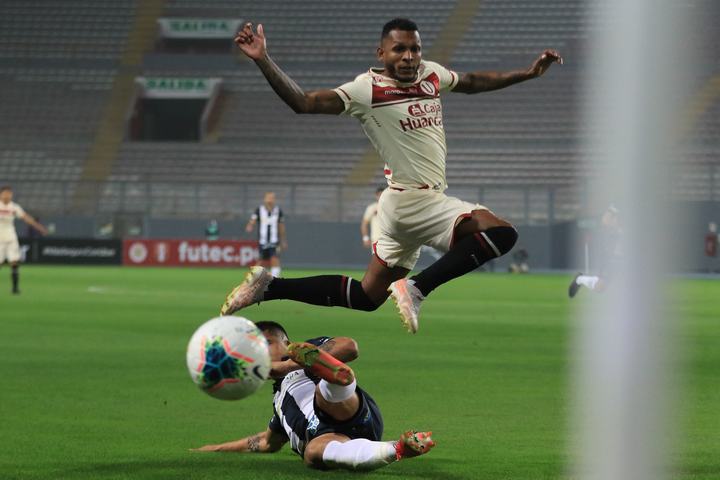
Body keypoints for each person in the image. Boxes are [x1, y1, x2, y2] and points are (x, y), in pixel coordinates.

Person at [222, 18, 562, 332]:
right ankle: (417, 288)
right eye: (399, 49)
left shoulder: (430, 75)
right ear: (381, 53)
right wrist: (263, 59)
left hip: (403, 205)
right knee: (502, 233)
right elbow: (304, 102)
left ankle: (269, 287)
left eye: (415, 48)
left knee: (367, 296)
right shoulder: (367, 90)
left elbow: (473, 82)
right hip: (414, 201)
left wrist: (528, 73)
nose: (409, 56)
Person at [192, 321, 434, 471]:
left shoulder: (305, 352)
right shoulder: (279, 404)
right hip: (329, 436)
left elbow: (349, 347)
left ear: (286, 342)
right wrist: (216, 448)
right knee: (313, 452)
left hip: (346, 408)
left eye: (266, 342)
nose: (259, 351)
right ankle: (397, 448)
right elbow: (266, 443)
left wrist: (286, 366)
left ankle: (339, 379)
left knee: (323, 392)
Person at [0, 186, 47, 294]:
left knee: (14, 262)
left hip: (11, 238)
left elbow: (26, 218)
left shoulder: (14, 207)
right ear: (1, 194)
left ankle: (15, 288)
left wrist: (39, 227)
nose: (8, 195)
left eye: (9, 193)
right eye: (5, 193)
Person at [568, 205, 622, 297]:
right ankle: (580, 279)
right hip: (611, 259)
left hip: (621, 258)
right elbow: (605, 221)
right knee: (600, 287)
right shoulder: (613, 210)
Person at [245, 192, 287, 277]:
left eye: (272, 198)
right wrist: (250, 225)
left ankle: (275, 279)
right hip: (263, 241)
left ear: (274, 200)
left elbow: (281, 226)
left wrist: (283, 240)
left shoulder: (278, 211)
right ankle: (252, 279)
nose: (270, 200)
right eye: (268, 198)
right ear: (265, 199)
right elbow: (253, 220)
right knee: (261, 261)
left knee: (274, 259)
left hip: (274, 241)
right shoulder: (259, 210)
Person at [360, 186, 385, 251]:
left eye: (383, 195)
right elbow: (364, 224)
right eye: (379, 195)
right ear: (376, 196)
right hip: (376, 240)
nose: (381, 197)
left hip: (390, 240)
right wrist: (365, 238)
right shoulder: (372, 208)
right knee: (377, 257)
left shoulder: (391, 207)